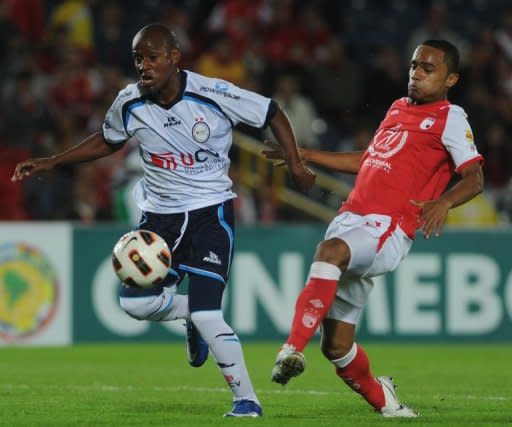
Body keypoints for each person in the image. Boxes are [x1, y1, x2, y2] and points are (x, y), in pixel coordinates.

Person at [11, 23, 315, 417]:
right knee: (135, 304)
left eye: (152, 56)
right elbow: (108, 139)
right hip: (159, 220)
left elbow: (271, 112)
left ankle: (246, 400)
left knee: (210, 312)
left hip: (210, 214)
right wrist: (52, 161)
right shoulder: (129, 101)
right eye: (138, 58)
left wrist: (294, 163)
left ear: (174, 57)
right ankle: (189, 316)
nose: (144, 65)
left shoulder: (213, 93)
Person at [263, 39, 484, 417]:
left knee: (329, 252)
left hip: (388, 227)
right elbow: (370, 160)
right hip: (354, 219)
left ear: (451, 79)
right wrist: (306, 154)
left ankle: (291, 349)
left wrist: (444, 202)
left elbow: (475, 177)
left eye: (428, 69)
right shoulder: (398, 108)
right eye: (415, 65)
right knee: (335, 347)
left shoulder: (451, 117)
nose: (417, 73)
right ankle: (386, 401)